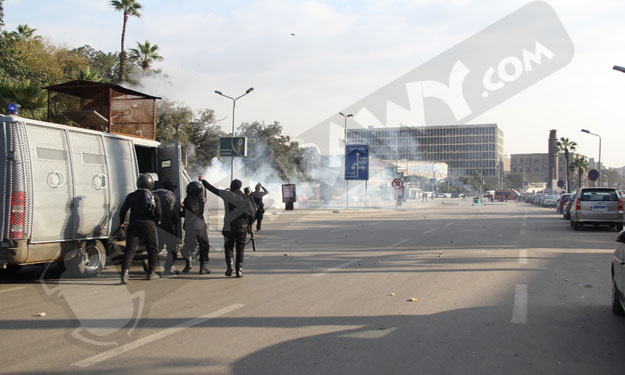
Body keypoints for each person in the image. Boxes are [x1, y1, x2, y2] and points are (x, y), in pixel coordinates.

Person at [199, 177, 255, 278]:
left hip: (228, 226)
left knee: (228, 247)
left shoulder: (226, 194)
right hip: (242, 226)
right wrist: (250, 224)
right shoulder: (245, 198)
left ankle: (230, 265)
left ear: (231, 186)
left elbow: (212, 189)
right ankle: (239, 270)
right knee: (240, 248)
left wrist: (203, 180)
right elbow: (252, 213)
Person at [120, 174, 162, 284]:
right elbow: (158, 212)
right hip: (149, 224)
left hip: (134, 224)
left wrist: (122, 222)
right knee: (152, 248)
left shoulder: (131, 196)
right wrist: (157, 221)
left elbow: (123, 210)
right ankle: (151, 273)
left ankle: (124, 274)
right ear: (150, 184)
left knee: (130, 249)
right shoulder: (154, 196)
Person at [180, 181, 211, 275]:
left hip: (190, 226)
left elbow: (187, 213)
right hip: (201, 226)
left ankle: (188, 262)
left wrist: (178, 213)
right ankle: (203, 267)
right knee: (204, 246)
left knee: (189, 245)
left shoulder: (187, 200)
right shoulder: (201, 200)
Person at [153, 181, 181, 275]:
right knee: (173, 248)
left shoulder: (153, 194)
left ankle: (149, 262)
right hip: (167, 226)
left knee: (158, 246)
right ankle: (168, 268)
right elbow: (171, 212)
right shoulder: (170, 196)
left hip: (155, 225)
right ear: (171, 188)